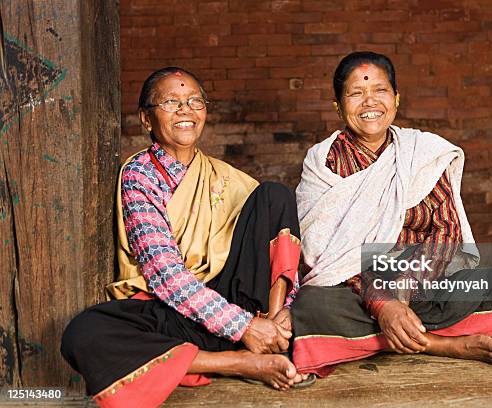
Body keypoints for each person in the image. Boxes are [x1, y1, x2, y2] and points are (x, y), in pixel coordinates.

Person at [61, 67, 309, 408]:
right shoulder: (140, 175)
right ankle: (241, 362)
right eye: (171, 102)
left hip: (242, 307)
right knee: (84, 333)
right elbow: (166, 277)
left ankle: (272, 335)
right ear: (147, 120)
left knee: (275, 195)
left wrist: (273, 321)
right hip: (178, 311)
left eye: (194, 100)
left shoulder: (227, 179)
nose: (185, 109)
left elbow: (269, 248)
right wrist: (243, 328)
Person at [291, 51, 492, 377]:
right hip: (351, 292)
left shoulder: (422, 153)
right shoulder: (324, 163)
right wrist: (382, 304)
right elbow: (320, 253)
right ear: (338, 107)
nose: (370, 102)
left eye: (380, 91)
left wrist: (402, 292)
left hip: (421, 286)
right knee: (311, 307)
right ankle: (438, 343)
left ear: (396, 98)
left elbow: (447, 233)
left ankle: (389, 337)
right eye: (356, 94)